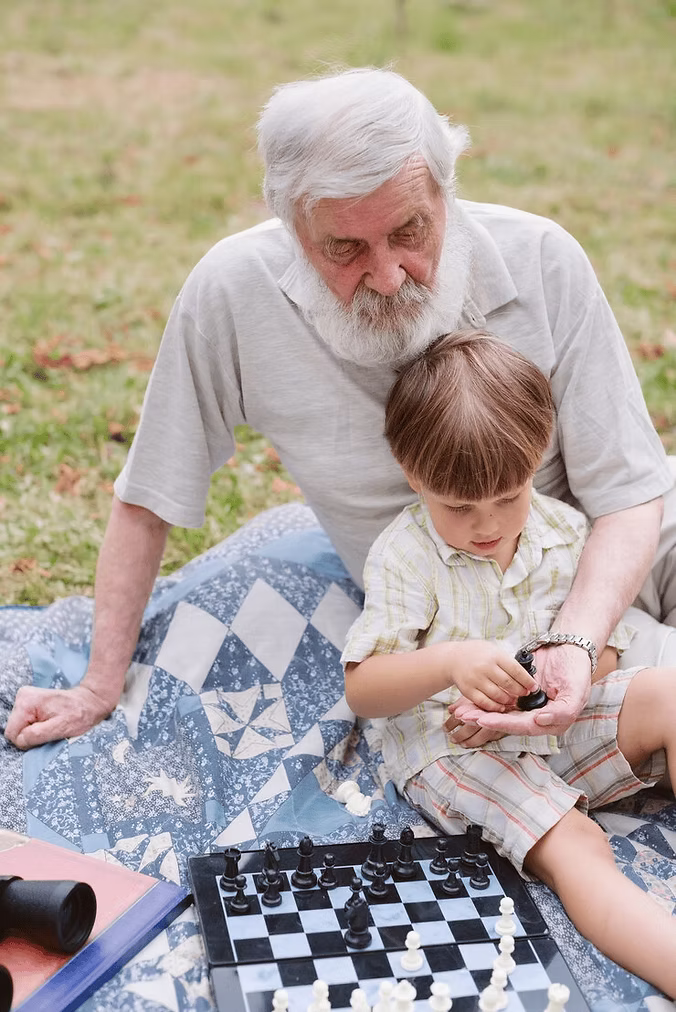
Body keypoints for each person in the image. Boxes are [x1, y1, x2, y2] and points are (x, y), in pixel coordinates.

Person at [4, 67, 675, 750]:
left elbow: (628, 493)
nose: (386, 277)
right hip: (491, 618)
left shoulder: (542, 259)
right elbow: (149, 497)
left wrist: (579, 637)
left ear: (447, 190)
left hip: (628, 544)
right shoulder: (234, 294)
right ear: (291, 225)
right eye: (344, 249)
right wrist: (96, 687)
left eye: (411, 230)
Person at [342, 330, 676, 997]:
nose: (487, 524)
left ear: (537, 460)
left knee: (669, 693)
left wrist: (573, 672)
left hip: (551, 724)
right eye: (459, 506)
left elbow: (595, 651)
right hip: (456, 750)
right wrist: (450, 664)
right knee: (577, 845)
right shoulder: (405, 556)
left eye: (508, 497)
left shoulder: (559, 529)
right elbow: (365, 691)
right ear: (415, 476)